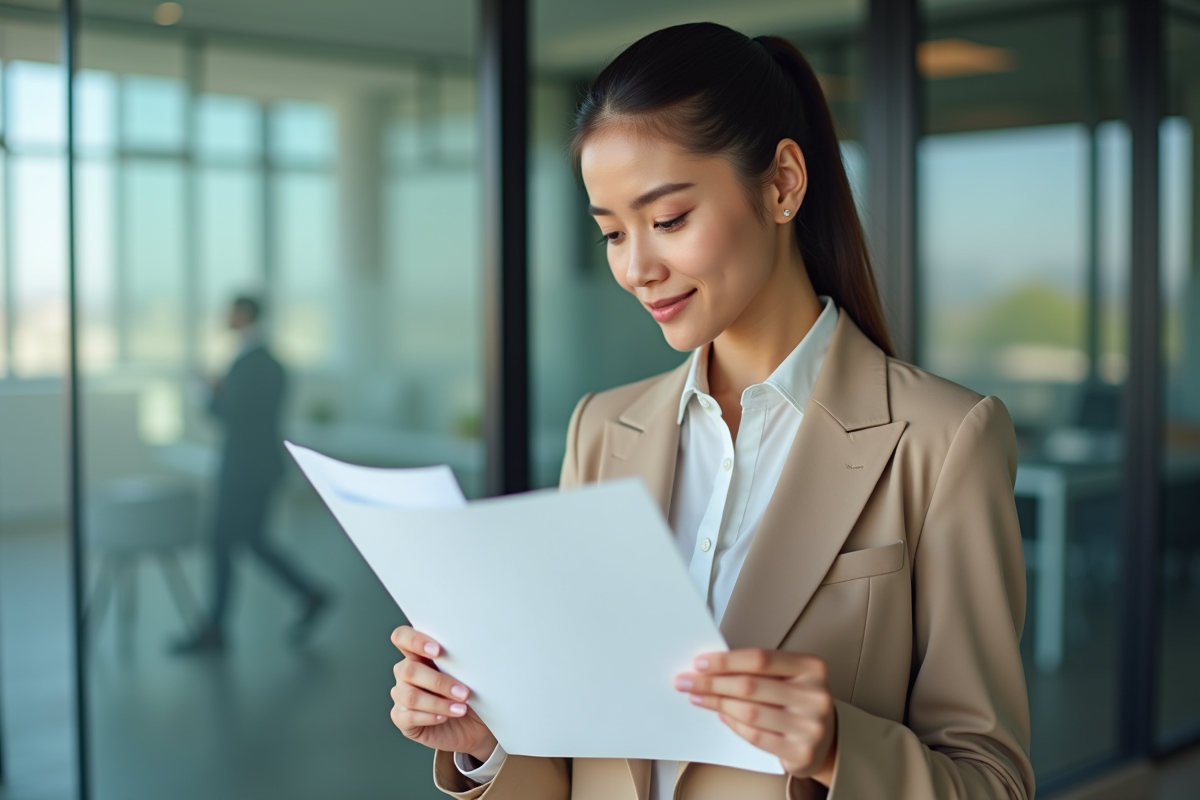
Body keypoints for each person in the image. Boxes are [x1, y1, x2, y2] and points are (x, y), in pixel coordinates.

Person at [388, 22, 1034, 800]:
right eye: (611, 233)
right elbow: (580, 748)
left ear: (783, 184)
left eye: (667, 221)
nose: (636, 268)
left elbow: (991, 780)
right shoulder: (602, 430)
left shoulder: (942, 440)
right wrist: (491, 740)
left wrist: (838, 748)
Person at [173, 295, 329, 654]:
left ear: (244, 314)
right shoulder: (272, 362)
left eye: (230, 311)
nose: (224, 317)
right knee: (252, 540)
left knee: (222, 542)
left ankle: (216, 626)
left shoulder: (247, 363)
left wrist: (205, 393)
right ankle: (309, 593)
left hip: (243, 469)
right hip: (263, 466)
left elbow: (231, 416)